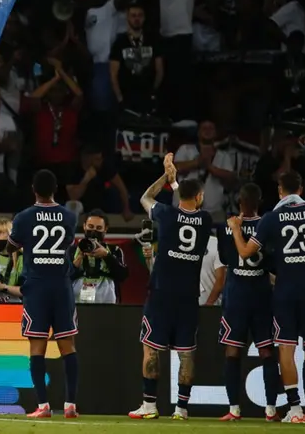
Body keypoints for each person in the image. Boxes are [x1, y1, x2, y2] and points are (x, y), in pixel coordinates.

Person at [227, 171, 305, 423]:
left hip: (285, 291)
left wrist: (236, 230)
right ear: (302, 190)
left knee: (286, 346)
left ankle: (295, 411)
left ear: (280, 190)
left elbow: (245, 253)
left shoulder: (272, 218)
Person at [129, 153, 212, 421]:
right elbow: (191, 209)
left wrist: (167, 178)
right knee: (186, 353)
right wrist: (177, 185)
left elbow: (144, 198)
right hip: (188, 296)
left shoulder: (165, 214)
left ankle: (150, 405)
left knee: (151, 347)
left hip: (162, 293)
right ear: (199, 197)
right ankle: (182, 409)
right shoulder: (206, 221)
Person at [8, 170, 80, 419]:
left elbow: (11, 246)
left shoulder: (24, 217)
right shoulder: (69, 216)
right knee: (67, 346)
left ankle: (43, 406)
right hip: (61, 285)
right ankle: (70, 405)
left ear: (33, 189)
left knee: (37, 347)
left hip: (37, 286)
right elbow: (69, 245)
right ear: (56, 188)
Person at [216, 183, 280, 422]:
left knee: (233, 350)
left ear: (239, 202)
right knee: (266, 351)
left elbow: (226, 257)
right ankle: (271, 410)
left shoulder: (227, 227)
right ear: (260, 201)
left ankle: (234, 409)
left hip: (237, 295)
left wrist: (236, 231)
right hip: (262, 293)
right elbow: (273, 262)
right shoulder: (270, 226)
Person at [69, 210, 128, 304]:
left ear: (105, 229)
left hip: (106, 295)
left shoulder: (114, 250)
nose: (94, 231)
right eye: (91, 227)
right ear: (84, 226)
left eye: (99, 228)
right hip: (77, 295)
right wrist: (78, 258)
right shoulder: (73, 250)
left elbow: (122, 276)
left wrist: (107, 256)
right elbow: (64, 277)